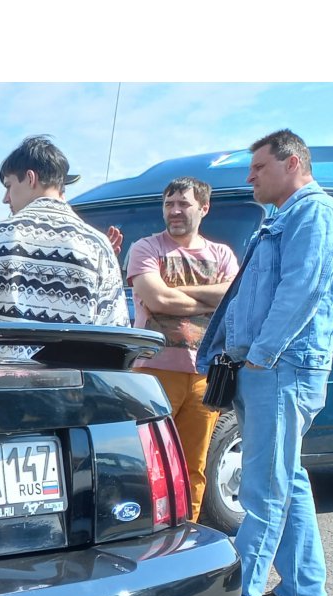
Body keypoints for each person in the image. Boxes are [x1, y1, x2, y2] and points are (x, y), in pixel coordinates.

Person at [197, 129, 333, 596]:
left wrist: (262, 354)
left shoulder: (313, 212)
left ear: (293, 162)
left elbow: (304, 287)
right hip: (270, 365)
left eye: (258, 168)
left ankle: (240, 594)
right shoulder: (283, 217)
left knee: (263, 486)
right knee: (286, 477)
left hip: (279, 366)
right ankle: (303, 590)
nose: (250, 178)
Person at [127, 178, 239, 522]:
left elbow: (234, 297)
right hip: (153, 372)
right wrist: (209, 297)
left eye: (183, 204)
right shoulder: (146, 248)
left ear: (204, 208)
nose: (174, 211)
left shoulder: (222, 254)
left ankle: (186, 533)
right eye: (168, 204)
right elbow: (158, 299)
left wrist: (176, 295)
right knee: (148, 463)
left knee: (194, 466)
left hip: (206, 376)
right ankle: (144, 532)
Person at [0, 135, 129, 358]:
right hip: (73, 377)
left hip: (4, 376)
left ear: (31, 178)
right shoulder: (98, 244)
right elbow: (113, 328)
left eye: (9, 186)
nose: (5, 198)